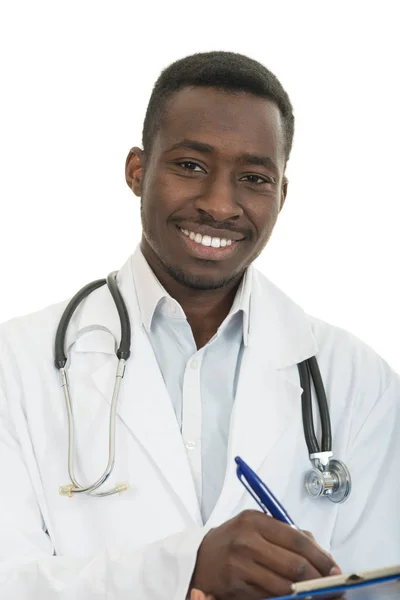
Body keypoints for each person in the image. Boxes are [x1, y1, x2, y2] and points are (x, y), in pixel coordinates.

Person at [0, 51, 399, 600]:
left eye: (254, 177)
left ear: (281, 195)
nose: (219, 204)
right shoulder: (17, 365)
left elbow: (380, 583)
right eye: (191, 166)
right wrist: (180, 570)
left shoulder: (356, 379)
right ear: (137, 171)